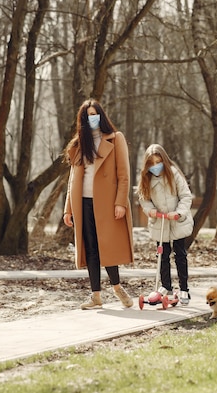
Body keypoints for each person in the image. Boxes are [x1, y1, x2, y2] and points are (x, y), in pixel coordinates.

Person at [63, 99, 134, 309]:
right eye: (88, 115)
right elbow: (72, 179)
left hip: (106, 203)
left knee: (107, 246)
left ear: (101, 115)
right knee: (91, 248)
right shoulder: (79, 144)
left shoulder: (115, 138)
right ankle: (96, 295)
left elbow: (124, 175)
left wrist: (120, 202)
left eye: (95, 114)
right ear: (83, 120)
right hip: (82, 203)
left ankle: (118, 287)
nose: (92, 118)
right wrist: (68, 209)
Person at [137, 144, 194, 305]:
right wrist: (150, 210)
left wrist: (179, 212)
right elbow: (144, 199)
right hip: (160, 221)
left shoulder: (173, 175)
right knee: (162, 254)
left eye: (158, 162)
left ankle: (184, 289)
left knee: (180, 255)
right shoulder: (146, 178)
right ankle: (166, 286)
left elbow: (186, 196)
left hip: (176, 220)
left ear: (164, 161)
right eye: (152, 163)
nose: (155, 166)